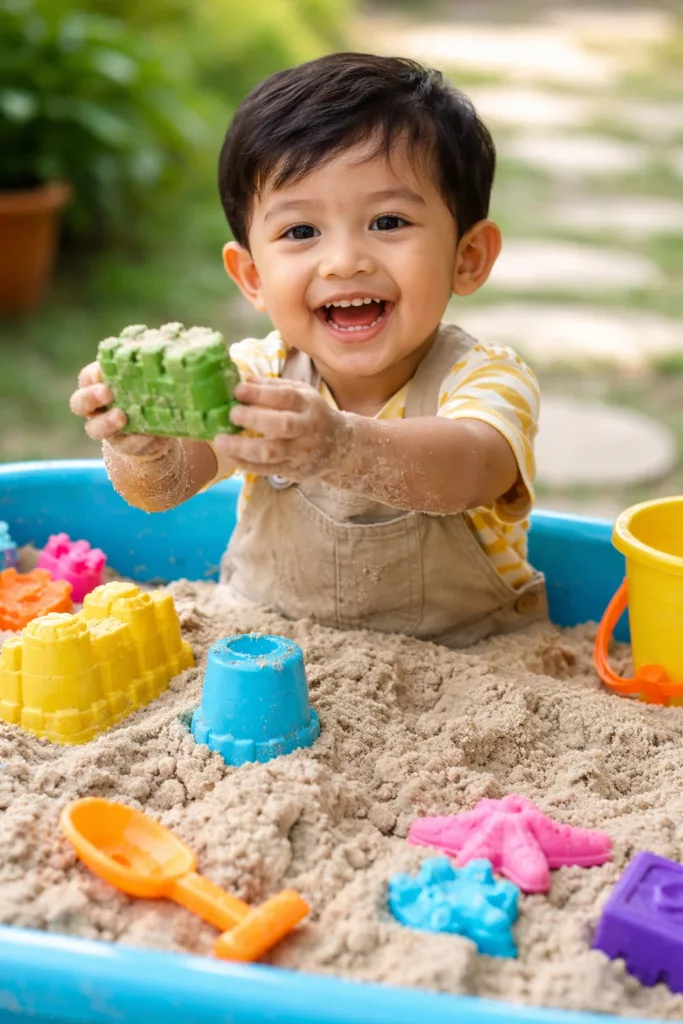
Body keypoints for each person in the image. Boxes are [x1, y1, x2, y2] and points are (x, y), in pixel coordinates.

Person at [70, 52, 547, 647]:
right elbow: (163, 490)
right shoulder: (256, 376)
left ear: (467, 257)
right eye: (301, 232)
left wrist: (340, 446)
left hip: (470, 665)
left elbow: (469, 469)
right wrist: (143, 448)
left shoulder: (486, 377)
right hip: (266, 649)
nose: (345, 260)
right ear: (251, 277)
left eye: (389, 221)